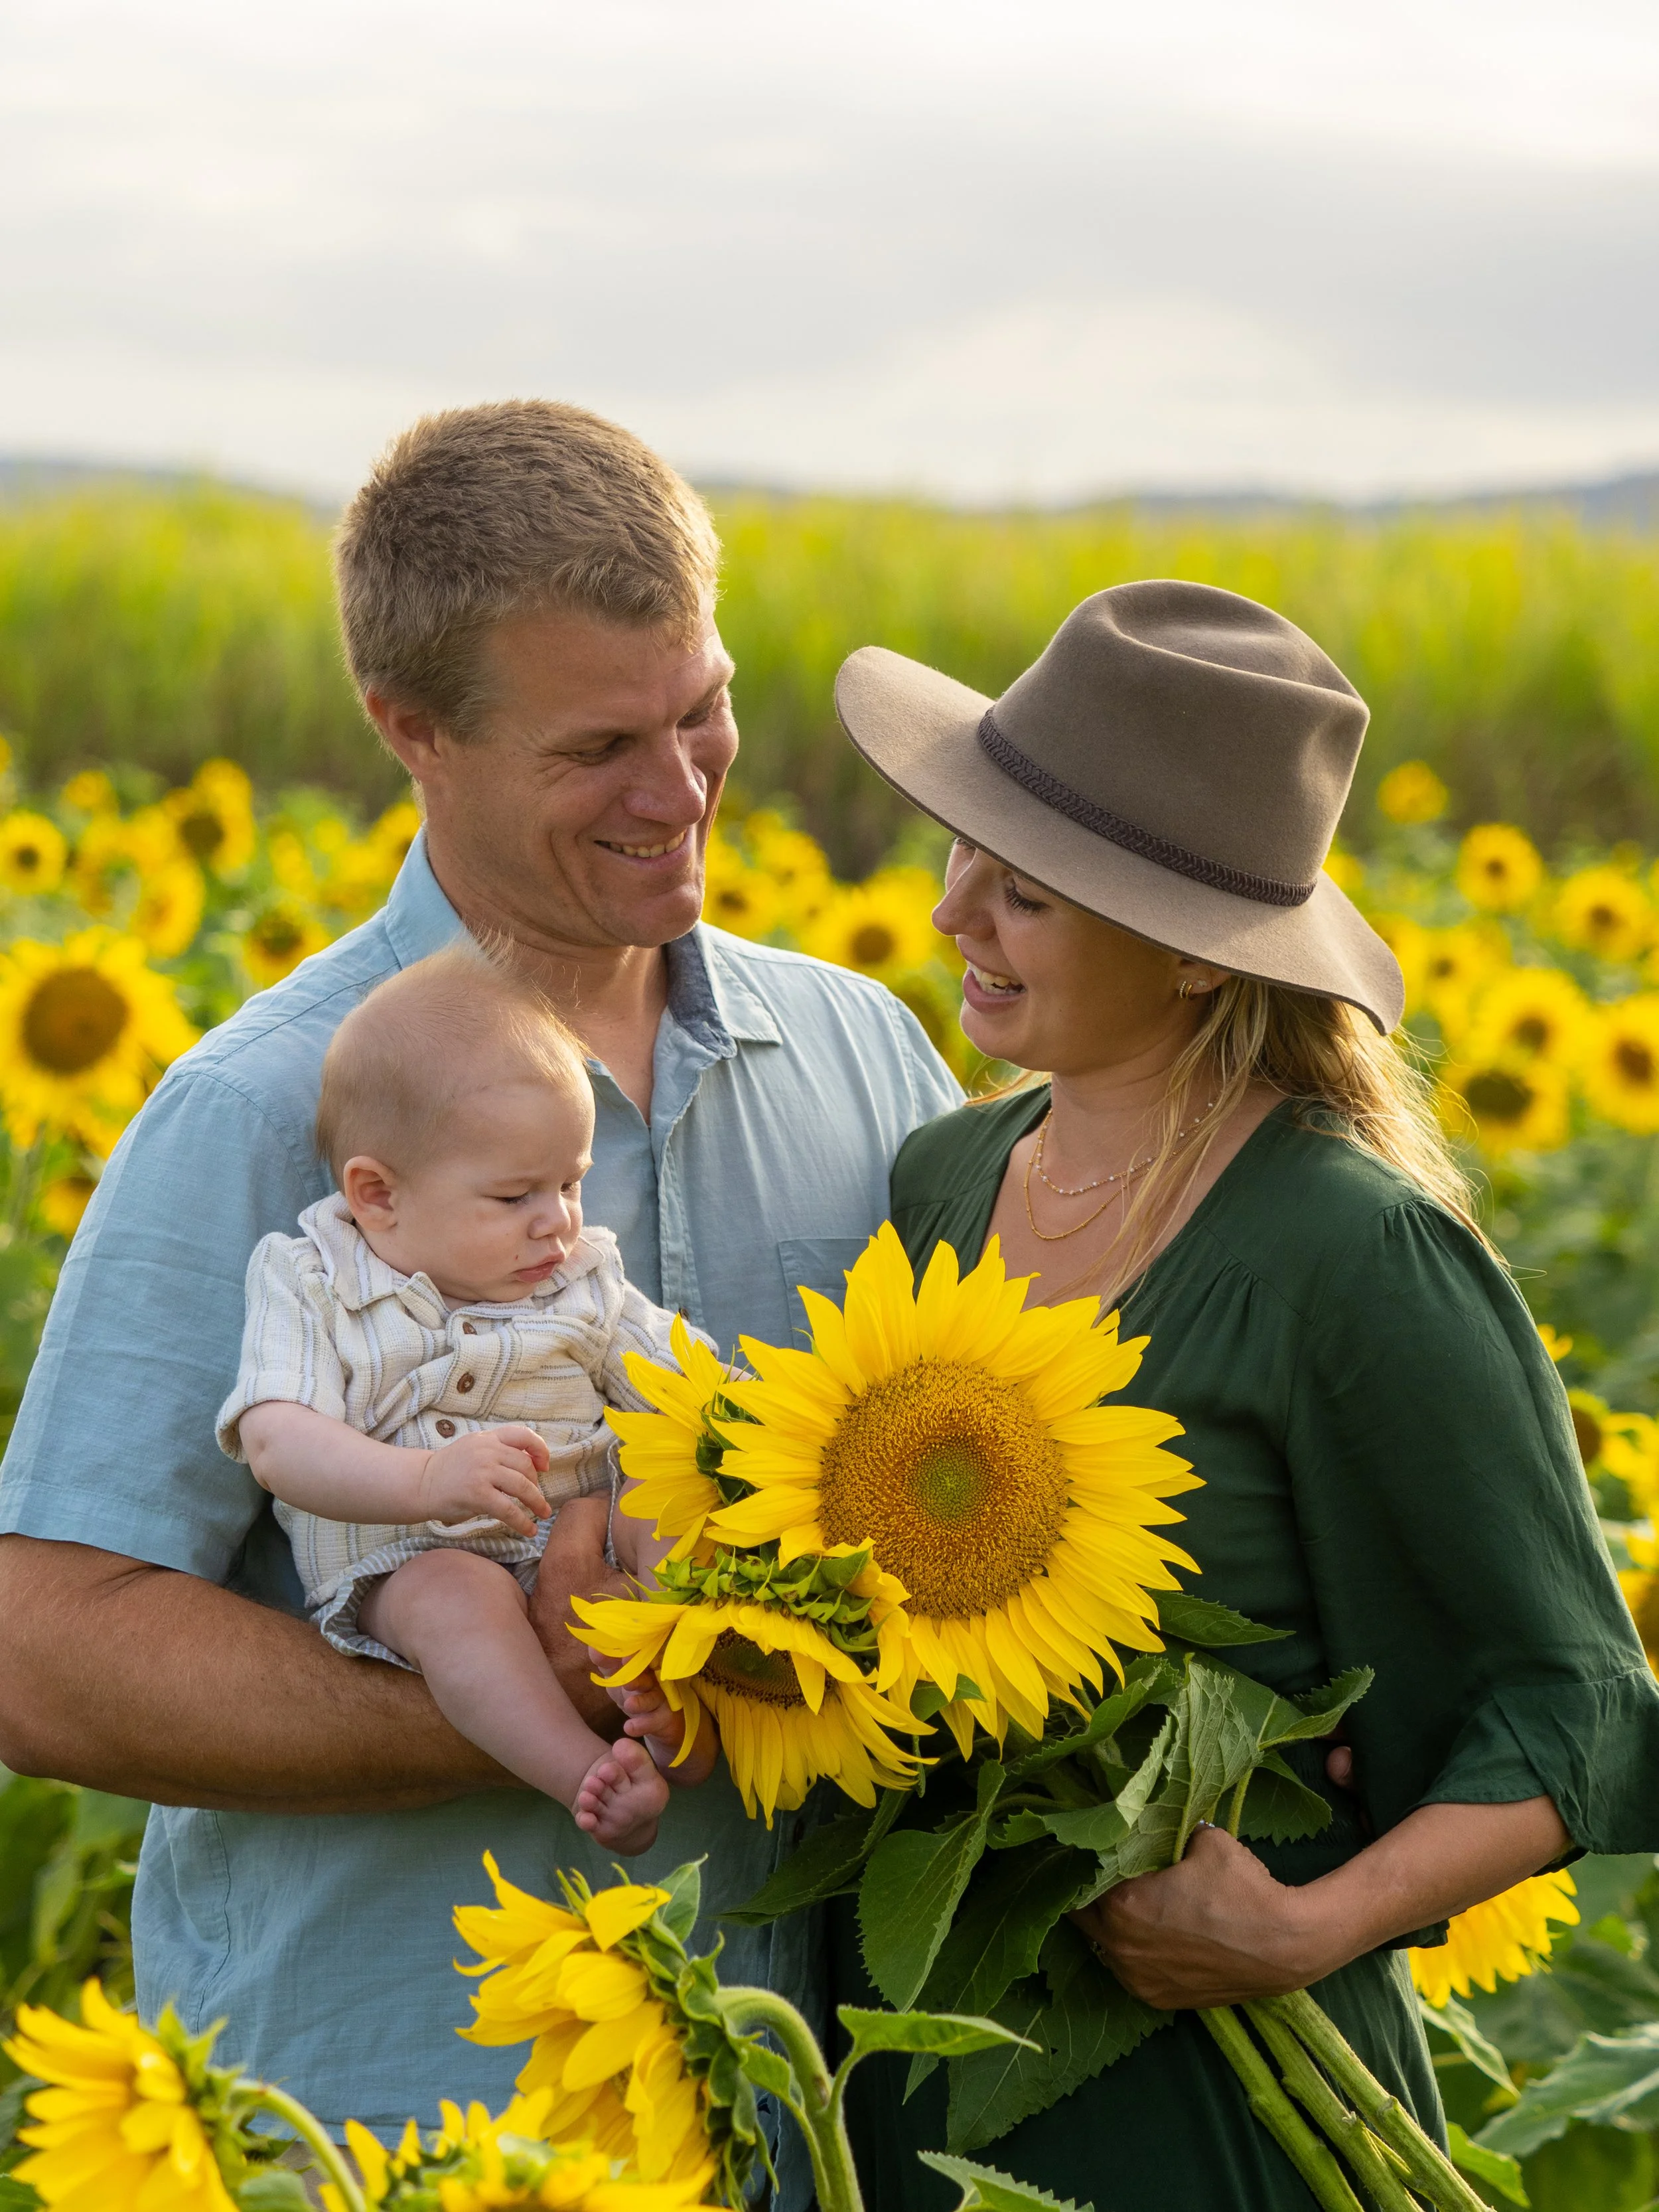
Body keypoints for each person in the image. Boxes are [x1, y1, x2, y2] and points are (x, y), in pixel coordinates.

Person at [0, 400, 959, 2184]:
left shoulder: (860, 1052)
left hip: (800, 2122)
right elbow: (44, 1651)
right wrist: (531, 1707)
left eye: (702, 711)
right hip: (402, 2113)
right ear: (411, 731)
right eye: (602, 742)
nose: (681, 791)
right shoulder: (255, 1112)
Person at [828, 580, 1659, 2210]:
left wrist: (1302, 1923)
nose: (954, 917)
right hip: (919, 2060)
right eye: (963, 854)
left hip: (1208, 2088)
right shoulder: (937, 1178)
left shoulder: (1352, 1254)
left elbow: (1571, 1700)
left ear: (1199, 963)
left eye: (1028, 893)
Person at [220, 944, 720, 1855]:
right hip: (410, 1550)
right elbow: (278, 1441)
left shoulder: (579, 1278)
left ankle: (685, 1706)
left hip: (579, 1520)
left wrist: (749, 1427)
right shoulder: (312, 1279)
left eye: (570, 1182)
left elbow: (691, 1386)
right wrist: (422, 1481)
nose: (558, 1220)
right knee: (457, 1607)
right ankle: (583, 1770)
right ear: (377, 1196)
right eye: (514, 1194)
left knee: (668, 1493)